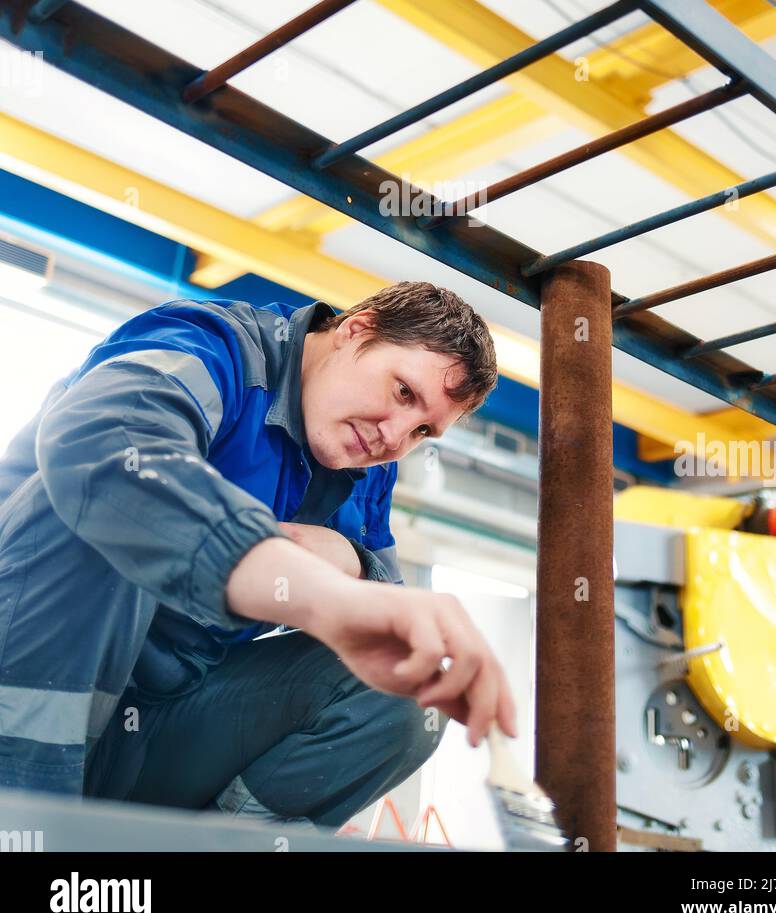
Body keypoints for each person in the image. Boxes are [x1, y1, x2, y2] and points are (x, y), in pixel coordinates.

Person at [0, 279, 517, 829]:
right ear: (354, 329)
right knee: (102, 504)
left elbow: (383, 594)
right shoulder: (211, 345)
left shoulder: (366, 465)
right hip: (29, 702)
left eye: (422, 431)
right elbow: (109, 446)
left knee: (402, 701)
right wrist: (319, 594)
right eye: (403, 392)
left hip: (153, 726)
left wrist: (350, 563)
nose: (394, 437)